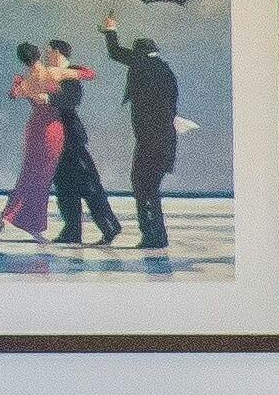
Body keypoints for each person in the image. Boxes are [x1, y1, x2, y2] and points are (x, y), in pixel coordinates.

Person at [105, 25, 186, 252]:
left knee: (143, 186)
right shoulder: (166, 72)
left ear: (139, 53)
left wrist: (110, 30)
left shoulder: (143, 66)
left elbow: (115, 53)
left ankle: (153, 237)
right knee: (150, 187)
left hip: (150, 142)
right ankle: (156, 235)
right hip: (165, 141)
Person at [40, 39, 121, 248]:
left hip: (72, 138)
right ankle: (72, 230)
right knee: (64, 187)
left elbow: (71, 101)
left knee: (89, 185)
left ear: (58, 52)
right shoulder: (53, 73)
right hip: (57, 138)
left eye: (48, 51)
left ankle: (109, 226)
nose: (46, 54)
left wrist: (48, 99)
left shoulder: (71, 74)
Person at [0, 44, 66, 244]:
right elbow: (88, 74)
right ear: (39, 54)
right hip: (51, 129)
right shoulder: (49, 73)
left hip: (35, 128)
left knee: (28, 176)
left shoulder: (25, 80)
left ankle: (7, 220)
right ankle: (31, 227)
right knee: (41, 179)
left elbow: (14, 95)